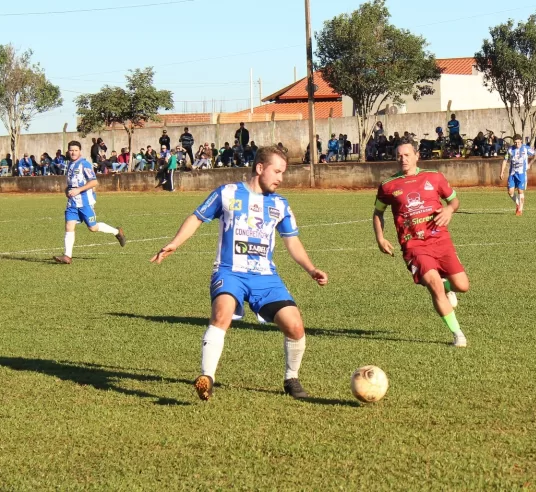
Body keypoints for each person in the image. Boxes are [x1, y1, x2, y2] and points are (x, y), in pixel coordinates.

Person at [151, 146, 328, 401]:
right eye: (276, 171)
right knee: (221, 314)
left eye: (283, 173)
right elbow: (197, 217)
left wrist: (311, 269)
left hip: (265, 277)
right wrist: (174, 244)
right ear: (259, 168)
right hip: (229, 271)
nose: (281, 178)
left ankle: (291, 379)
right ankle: (207, 378)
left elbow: (292, 242)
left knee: (295, 325)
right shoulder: (227, 193)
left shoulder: (280, 204)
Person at [372, 137, 469, 347]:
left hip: (440, 239)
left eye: (407, 155)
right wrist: (380, 237)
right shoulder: (388, 185)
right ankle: (458, 334)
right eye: (399, 156)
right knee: (433, 283)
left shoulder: (434, 178)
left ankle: (448, 286)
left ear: (417, 156)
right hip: (413, 245)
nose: (403, 159)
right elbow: (378, 212)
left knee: (463, 285)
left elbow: (454, 200)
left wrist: (449, 209)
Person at [53, 141, 126, 264]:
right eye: (71, 150)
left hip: (85, 202)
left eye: (76, 150)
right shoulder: (70, 164)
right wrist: (68, 190)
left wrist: (78, 190)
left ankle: (117, 232)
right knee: (69, 226)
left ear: (80, 151)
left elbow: (94, 182)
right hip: (72, 203)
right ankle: (67, 256)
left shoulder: (85, 164)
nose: (73, 152)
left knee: (93, 227)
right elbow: (71, 183)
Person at [500, 134, 536, 216]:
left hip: (521, 174)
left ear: (521, 141)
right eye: (515, 142)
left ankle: (520, 210)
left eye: (518, 142)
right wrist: (502, 172)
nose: (517, 144)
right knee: (510, 192)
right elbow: (505, 160)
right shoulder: (510, 150)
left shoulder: (525, 148)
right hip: (512, 174)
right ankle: (518, 203)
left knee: (520, 191)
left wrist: (530, 164)